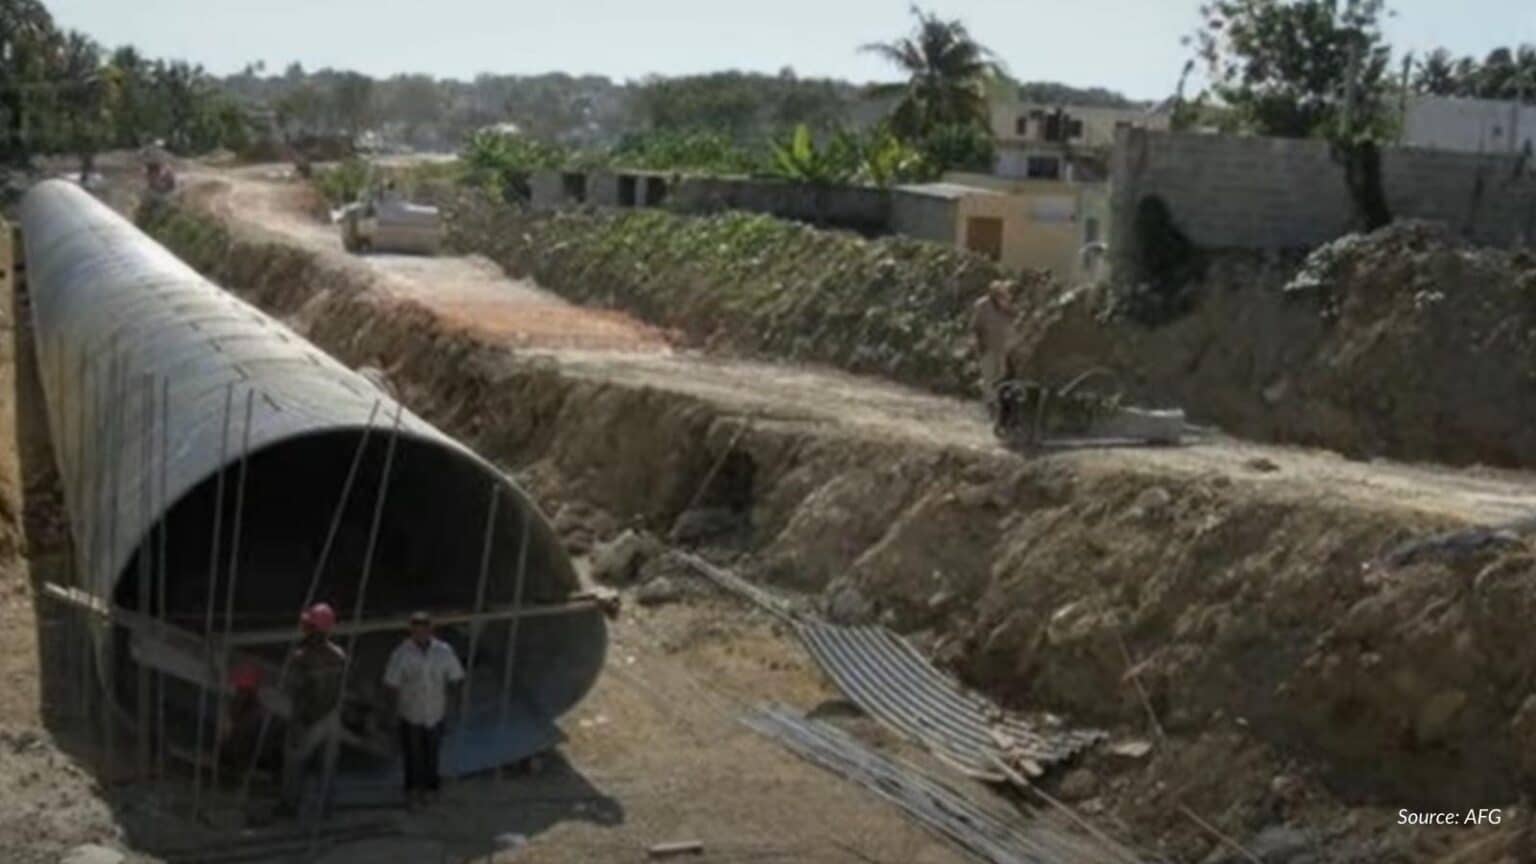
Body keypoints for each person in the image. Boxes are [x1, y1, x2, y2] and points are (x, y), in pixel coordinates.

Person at [383, 611, 464, 809]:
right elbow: (391, 683)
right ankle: (412, 791)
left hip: (435, 710)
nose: (420, 635)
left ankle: (431, 789)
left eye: (423, 630)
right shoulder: (401, 653)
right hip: (411, 712)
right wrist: (393, 711)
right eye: (416, 631)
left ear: (430, 630)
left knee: (433, 752)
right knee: (412, 754)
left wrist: (454, 703)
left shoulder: (443, 651)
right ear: (411, 632)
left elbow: (456, 677)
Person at [281, 602, 347, 817]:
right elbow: (340, 691)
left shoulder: (302, 658)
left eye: (308, 626)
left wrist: (298, 723)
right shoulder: (339, 656)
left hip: (310, 718)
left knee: (293, 761)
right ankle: (326, 809)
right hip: (332, 717)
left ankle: (290, 806)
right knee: (328, 767)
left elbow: (297, 693)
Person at [971, 280, 1018, 416]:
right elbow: (975, 326)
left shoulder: (1006, 305)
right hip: (986, 345)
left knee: (1001, 376)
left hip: (1002, 346)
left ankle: (992, 400)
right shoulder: (982, 305)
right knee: (988, 376)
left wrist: (1007, 307)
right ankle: (990, 406)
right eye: (999, 294)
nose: (1002, 296)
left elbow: (1014, 317)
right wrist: (979, 344)